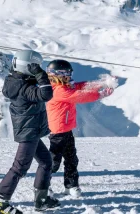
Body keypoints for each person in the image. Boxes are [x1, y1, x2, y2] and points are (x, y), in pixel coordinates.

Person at [0, 50, 60, 214]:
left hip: (32, 131)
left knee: (46, 162)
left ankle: (41, 200)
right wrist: (41, 75)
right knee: (20, 168)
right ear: (29, 67)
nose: (39, 69)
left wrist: (36, 74)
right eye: (37, 66)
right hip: (28, 133)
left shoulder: (16, 81)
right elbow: (46, 94)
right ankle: (1, 204)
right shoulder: (24, 88)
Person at [45, 59, 114, 197]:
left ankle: (71, 186)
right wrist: (100, 94)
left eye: (70, 73)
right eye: (66, 74)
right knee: (53, 162)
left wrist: (101, 83)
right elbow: (80, 95)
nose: (69, 77)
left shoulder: (65, 87)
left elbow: (80, 86)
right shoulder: (58, 91)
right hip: (57, 132)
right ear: (57, 75)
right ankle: (43, 186)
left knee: (71, 159)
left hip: (67, 130)